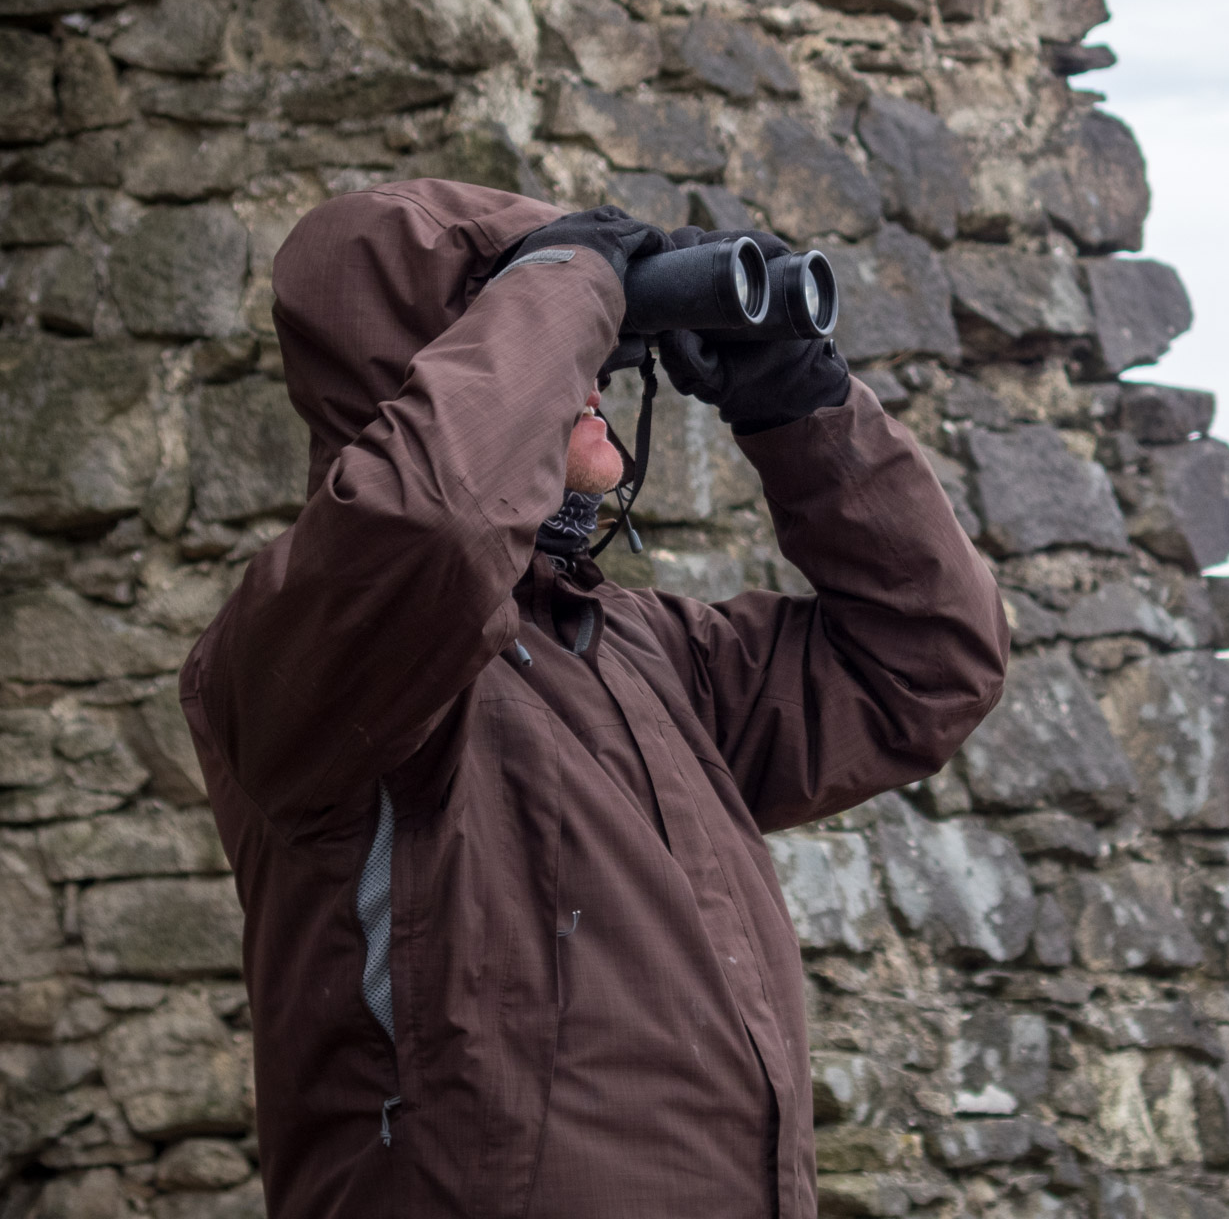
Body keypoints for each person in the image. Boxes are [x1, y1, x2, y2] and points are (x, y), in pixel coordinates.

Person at [179, 179, 1010, 1218]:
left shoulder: (645, 652)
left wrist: (799, 401)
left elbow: (930, 658)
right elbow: (431, 527)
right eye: (532, 335)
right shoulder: (296, 655)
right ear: (414, 380)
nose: (592, 370)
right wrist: (570, 284)